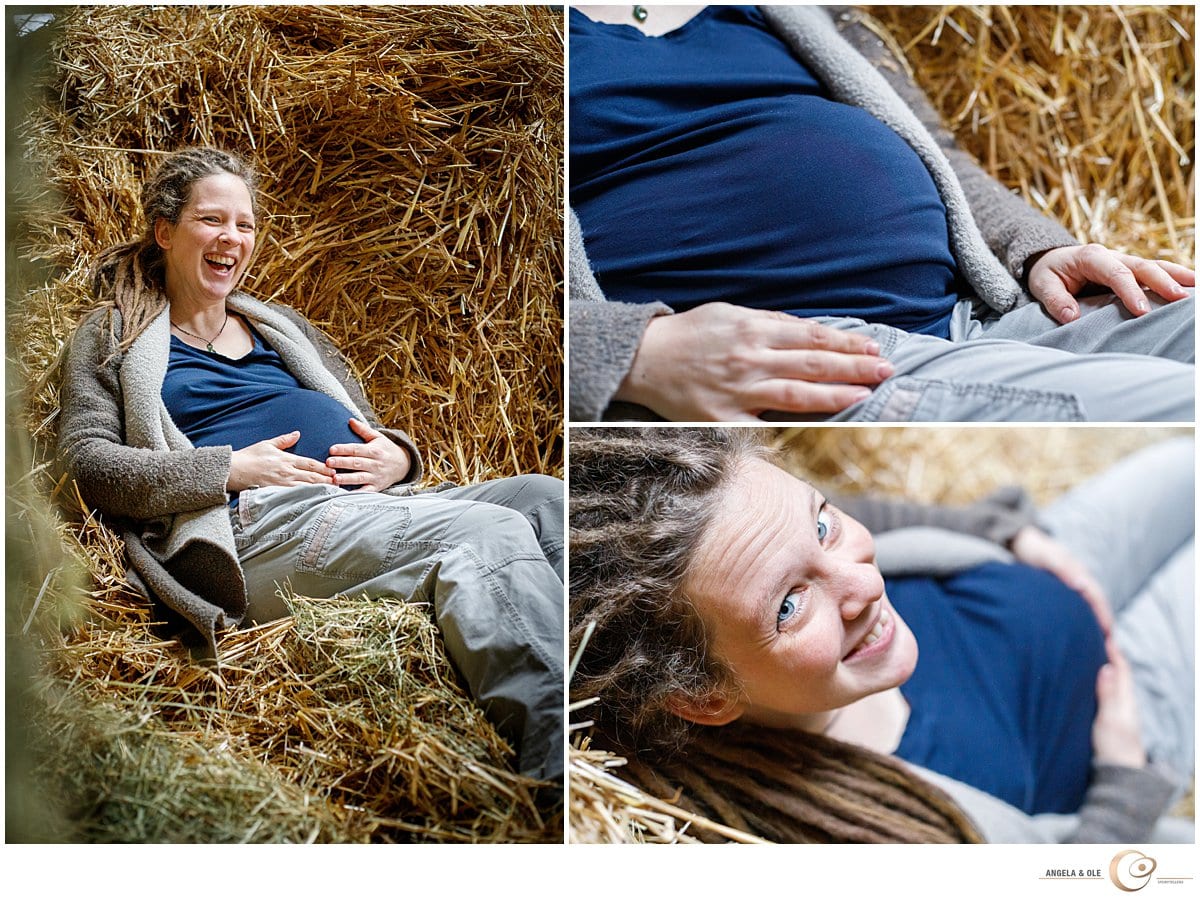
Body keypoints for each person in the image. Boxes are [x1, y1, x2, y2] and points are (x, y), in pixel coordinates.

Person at [55, 147, 563, 783]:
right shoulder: (114, 331)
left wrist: (399, 458)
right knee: (488, 537)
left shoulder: (279, 327)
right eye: (212, 220)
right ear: (165, 231)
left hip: (364, 504)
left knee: (545, 499)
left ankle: (598, 691)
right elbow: (86, 460)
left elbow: (368, 422)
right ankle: (561, 770)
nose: (231, 238)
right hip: (254, 526)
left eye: (244, 225)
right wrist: (227, 470)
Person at [569, 5, 1195, 422]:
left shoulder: (807, 14)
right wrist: (632, 351)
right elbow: (483, 307)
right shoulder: (503, 37)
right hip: (805, 358)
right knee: (1172, 411)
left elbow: (942, 156)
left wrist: (1038, 250)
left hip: (975, 314)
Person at [568, 428, 1194, 842]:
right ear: (707, 697)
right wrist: (1124, 783)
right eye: (788, 605)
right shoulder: (883, 832)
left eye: (821, 528)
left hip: (1044, 559)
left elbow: (856, 506)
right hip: (1133, 705)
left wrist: (1002, 530)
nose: (864, 585)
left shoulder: (742, 545)